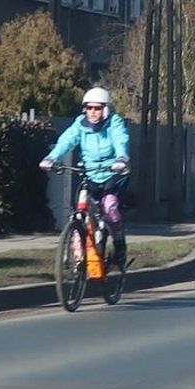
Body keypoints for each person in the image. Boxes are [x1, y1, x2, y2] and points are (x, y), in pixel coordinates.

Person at [39, 86, 130, 264]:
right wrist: (52, 157)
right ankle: (79, 255)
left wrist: (121, 158)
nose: (92, 112)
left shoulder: (114, 123)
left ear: (105, 109)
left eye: (97, 108)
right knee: (80, 211)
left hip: (113, 173)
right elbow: (67, 140)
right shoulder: (80, 124)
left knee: (110, 207)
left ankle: (120, 246)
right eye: (89, 108)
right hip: (90, 174)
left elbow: (121, 139)